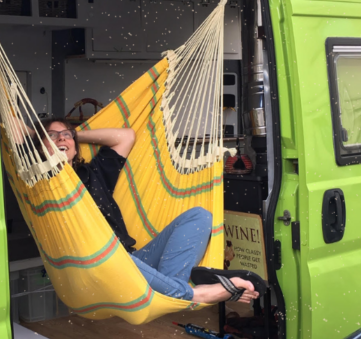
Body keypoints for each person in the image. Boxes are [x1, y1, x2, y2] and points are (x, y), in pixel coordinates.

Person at [33, 118, 263, 305]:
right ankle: (195, 294)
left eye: (66, 134)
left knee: (199, 216)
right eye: (52, 135)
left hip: (129, 259)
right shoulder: (39, 184)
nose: (62, 138)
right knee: (106, 250)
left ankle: (174, 288)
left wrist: (73, 134)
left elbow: (125, 136)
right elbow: (16, 133)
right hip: (92, 266)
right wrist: (38, 135)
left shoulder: (94, 173)